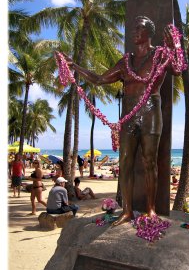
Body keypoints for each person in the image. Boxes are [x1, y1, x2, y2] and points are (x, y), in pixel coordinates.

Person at [63, 16, 181, 226]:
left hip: (151, 112)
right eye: (133, 28)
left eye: (139, 28)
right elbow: (99, 79)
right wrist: (75, 66)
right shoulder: (125, 62)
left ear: (149, 32)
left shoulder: (160, 55)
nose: (134, 32)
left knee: (149, 162)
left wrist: (176, 45)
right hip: (128, 115)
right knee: (125, 161)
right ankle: (126, 210)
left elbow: (179, 69)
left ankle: (151, 209)